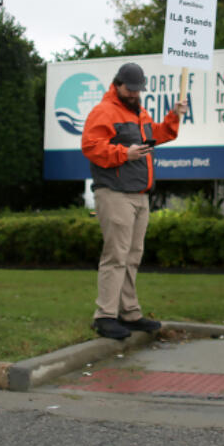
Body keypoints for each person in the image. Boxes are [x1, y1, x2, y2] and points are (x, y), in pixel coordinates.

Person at [81, 63, 188, 339]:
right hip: (114, 193)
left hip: (139, 195)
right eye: (130, 89)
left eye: (138, 89)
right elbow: (91, 147)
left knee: (132, 256)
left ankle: (129, 313)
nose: (134, 93)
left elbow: (157, 135)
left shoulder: (139, 113)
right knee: (116, 255)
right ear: (117, 84)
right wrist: (123, 153)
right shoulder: (103, 112)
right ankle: (104, 316)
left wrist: (174, 116)